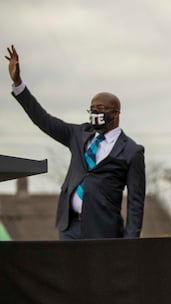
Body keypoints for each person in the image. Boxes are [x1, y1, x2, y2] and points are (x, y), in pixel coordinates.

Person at [5, 45, 146, 240]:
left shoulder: (131, 151)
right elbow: (44, 120)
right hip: (69, 227)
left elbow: (135, 202)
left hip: (103, 232)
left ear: (116, 114)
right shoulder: (79, 135)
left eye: (101, 108)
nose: (96, 113)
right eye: (92, 109)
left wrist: (131, 243)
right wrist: (19, 85)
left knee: (96, 272)